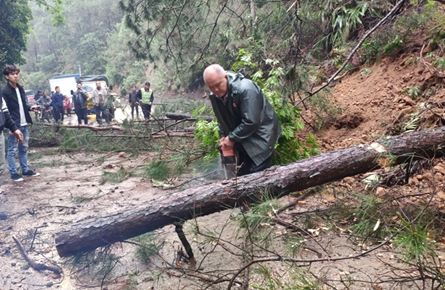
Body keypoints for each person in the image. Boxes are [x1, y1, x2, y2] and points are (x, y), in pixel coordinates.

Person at [203, 64, 282, 176]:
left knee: (257, 174)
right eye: (211, 87)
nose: (215, 90)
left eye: (218, 85)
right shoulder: (215, 96)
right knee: (241, 175)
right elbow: (221, 119)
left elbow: (251, 121)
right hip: (241, 134)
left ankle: (264, 192)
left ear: (225, 77)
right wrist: (223, 137)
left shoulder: (246, 89)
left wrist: (231, 138)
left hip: (261, 134)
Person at [1, 65, 40, 181]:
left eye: (17, 73)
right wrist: (11, 127)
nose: (15, 76)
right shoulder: (4, 91)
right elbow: (5, 110)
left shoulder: (20, 89)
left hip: (23, 123)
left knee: (23, 148)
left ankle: (25, 169)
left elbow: (24, 104)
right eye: (12, 74)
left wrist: (31, 107)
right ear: (7, 76)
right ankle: (13, 172)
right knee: (12, 149)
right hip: (13, 124)